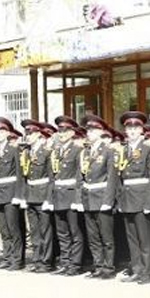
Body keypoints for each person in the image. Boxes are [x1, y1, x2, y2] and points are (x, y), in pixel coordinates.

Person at [115, 111, 150, 284]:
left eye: (135, 128)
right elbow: (118, 177)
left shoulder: (148, 148)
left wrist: (149, 202)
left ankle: (148, 271)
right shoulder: (123, 150)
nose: (132, 131)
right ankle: (137, 269)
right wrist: (119, 199)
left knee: (144, 237)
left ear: (141, 130)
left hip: (141, 197)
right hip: (126, 198)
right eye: (129, 128)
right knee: (132, 237)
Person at [80, 115, 120, 279]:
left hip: (102, 197)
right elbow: (82, 177)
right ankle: (98, 266)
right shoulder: (86, 152)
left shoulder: (108, 151)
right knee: (93, 237)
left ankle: (108, 268)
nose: (89, 133)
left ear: (100, 131)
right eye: (88, 130)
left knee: (106, 237)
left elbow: (112, 178)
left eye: (92, 130)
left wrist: (108, 201)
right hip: (89, 198)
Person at [48, 115, 85, 275]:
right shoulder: (55, 152)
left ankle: (75, 264)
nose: (61, 134)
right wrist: (50, 198)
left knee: (75, 232)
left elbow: (79, 176)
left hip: (71, 195)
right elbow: (52, 177)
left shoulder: (78, 151)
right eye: (59, 131)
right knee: (62, 232)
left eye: (65, 131)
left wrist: (78, 199)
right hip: (58, 195)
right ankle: (65, 262)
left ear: (72, 133)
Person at [0, 116, 25, 270]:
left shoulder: (14, 150)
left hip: (11, 192)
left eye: (2, 131)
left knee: (13, 228)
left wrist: (19, 195)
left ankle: (17, 259)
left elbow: (19, 173)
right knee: (3, 229)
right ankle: (7, 257)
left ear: (8, 133)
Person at [20, 120, 55, 272]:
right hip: (30, 195)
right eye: (26, 133)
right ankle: (37, 259)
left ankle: (47, 261)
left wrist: (48, 198)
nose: (28, 136)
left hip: (42, 194)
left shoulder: (47, 152)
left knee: (45, 230)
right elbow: (25, 177)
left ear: (39, 134)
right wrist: (23, 197)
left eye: (31, 133)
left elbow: (51, 177)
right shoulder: (27, 153)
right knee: (34, 230)